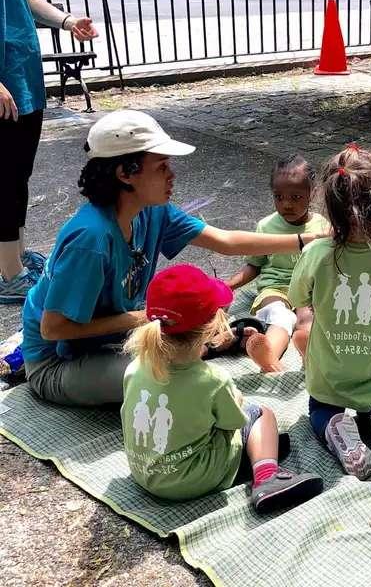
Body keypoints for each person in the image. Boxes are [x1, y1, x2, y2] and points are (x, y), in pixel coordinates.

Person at [21, 110, 325, 407]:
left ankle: (219, 340)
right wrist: (151, 317)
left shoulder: (151, 210)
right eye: (162, 167)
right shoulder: (90, 239)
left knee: (192, 335)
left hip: (113, 337)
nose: (172, 175)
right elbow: (54, 329)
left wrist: (306, 239)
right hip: (58, 363)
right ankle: (220, 347)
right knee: (175, 378)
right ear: (125, 173)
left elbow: (226, 241)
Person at [121, 264, 323, 511]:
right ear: (209, 328)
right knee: (260, 414)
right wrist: (236, 400)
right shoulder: (213, 380)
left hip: (146, 473)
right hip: (190, 479)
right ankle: (267, 476)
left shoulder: (135, 368)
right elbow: (232, 423)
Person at [288, 145, 371, 480]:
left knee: (319, 408)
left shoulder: (316, 253)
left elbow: (297, 297)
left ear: (329, 208)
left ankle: (334, 425)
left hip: (329, 371)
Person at [0, 0, 98, 303]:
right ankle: (9, 275)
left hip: (22, 78)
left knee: (17, 177)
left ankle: (16, 256)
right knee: (4, 182)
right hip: (4, 87)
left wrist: (68, 21)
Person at [225, 155, 329, 372]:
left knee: (306, 317)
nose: (286, 204)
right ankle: (268, 356)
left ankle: (309, 355)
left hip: (309, 289)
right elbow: (254, 265)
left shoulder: (322, 226)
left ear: (313, 193)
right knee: (281, 317)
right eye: (279, 197)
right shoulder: (266, 226)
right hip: (274, 288)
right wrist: (228, 286)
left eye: (295, 197)